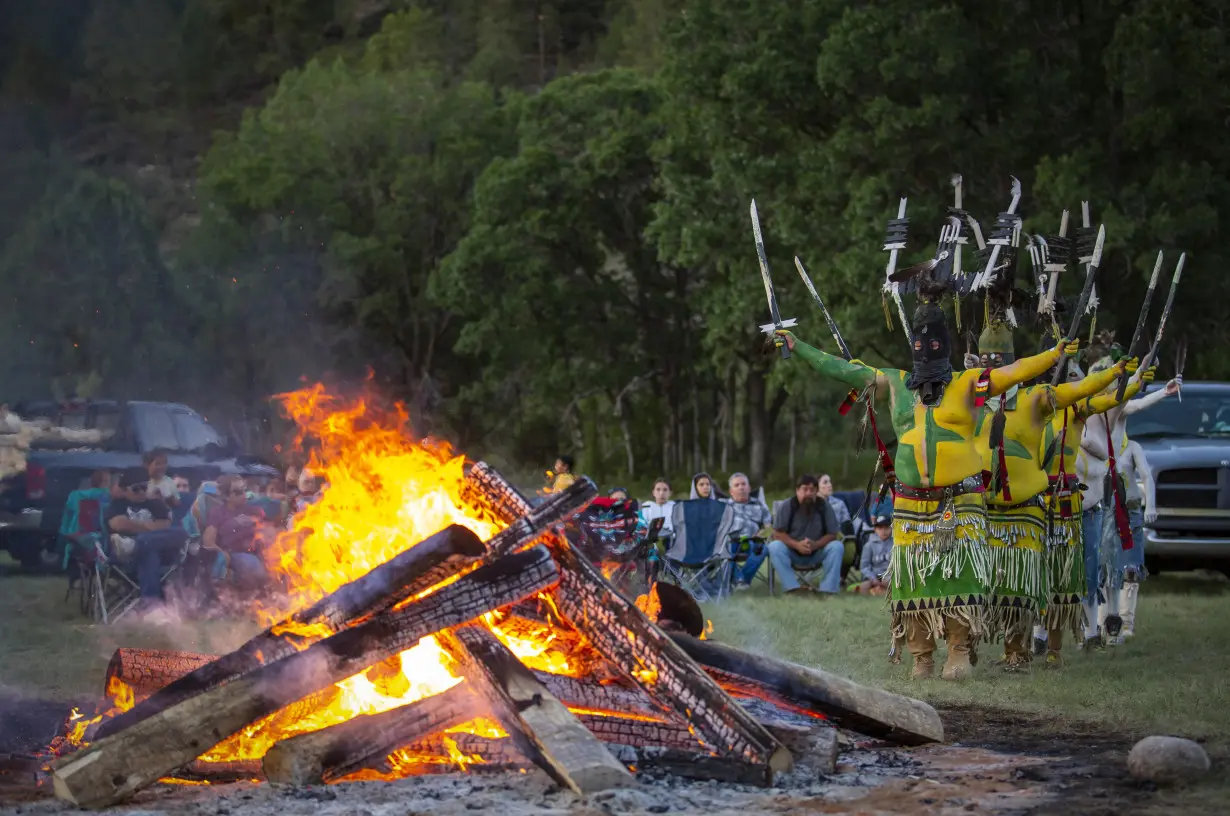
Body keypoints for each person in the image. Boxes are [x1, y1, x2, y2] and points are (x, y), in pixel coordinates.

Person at [776, 301, 1076, 681]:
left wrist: (1054, 354)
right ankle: (921, 657)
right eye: (920, 343)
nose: (926, 350)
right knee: (911, 581)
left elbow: (1014, 371)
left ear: (945, 345)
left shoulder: (968, 383)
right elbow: (840, 369)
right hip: (911, 504)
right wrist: (798, 345)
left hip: (960, 501)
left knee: (961, 577)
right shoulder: (894, 382)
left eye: (933, 343)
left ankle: (958, 652)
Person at [973, 314, 1128, 672]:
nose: (991, 366)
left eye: (999, 361)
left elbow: (1094, 397)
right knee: (995, 583)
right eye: (985, 360)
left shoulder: (1050, 403)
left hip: (1045, 505)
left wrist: (1119, 378)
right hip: (990, 508)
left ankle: (1038, 648)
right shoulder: (977, 399)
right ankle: (991, 647)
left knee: (1045, 580)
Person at [1033, 355, 1155, 666]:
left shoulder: (1100, 412)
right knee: (1048, 575)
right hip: (1051, 506)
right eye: (1070, 377)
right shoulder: (1049, 411)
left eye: (1080, 377)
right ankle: (1039, 637)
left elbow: (1122, 398)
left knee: (1089, 574)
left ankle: (1091, 634)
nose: (1076, 382)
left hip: (1089, 508)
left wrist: (1138, 377)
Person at [105, 468, 186, 610]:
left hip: (157, 553)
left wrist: (138, 530)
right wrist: (152, 527)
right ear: (125, 490)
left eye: (144, 487)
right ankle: (152, 606)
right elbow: (118, 524)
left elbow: (165, 525)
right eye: (136, 489)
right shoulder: (118, 504)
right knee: (150, 554)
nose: (142, 492)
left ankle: (135, 544)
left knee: (181, 532)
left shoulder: (156, 504)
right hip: (128, 560)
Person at [769, 474, 844, 595]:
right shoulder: (787, 506)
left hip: (817, 552)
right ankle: (792, 588)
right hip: (792, 552)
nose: (808, 493)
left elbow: (832, 534)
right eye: (805, 489)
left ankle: (828, 590)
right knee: (774, 547)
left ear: (816, 492)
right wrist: (796, 545)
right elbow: (777, 533)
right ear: (797, 490)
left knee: (837, 546)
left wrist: (816, 545)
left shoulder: (824, 506)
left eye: (812, 490)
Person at [202, 474, 269, 591]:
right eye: (238, 492)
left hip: (256, 552)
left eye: (245, 490)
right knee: (250, 565)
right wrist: (223, 554)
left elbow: (266, 532)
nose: (244, 495)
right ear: (227, 496)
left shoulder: (253, 510)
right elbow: (208, 542)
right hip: (232, 554)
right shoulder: (218, 513)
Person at [723, 472, 773, 589]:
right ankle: (740, 580)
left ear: (749, 488)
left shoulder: (759, 504)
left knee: (764, 549)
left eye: (743, 484)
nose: (741, 487)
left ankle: (740, 580)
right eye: (737, 485)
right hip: (731, 542)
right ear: (731, 491)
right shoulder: (723, 505)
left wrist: (763, 532)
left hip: (752, 541)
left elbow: (768, 526)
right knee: (723, 550)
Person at [857, 515, 894, 595]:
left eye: (886, 528)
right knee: (864, 587)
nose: (883, 531)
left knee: (894, 584)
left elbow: (899, 565)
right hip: (874, 576)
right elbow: (864, 567)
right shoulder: (869, 545)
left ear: (891, 528)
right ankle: (878, 591)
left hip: (890, 577)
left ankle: (883, 592)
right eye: (880, 528)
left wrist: (889, 577)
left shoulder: (895, 544)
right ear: (875, 529)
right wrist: (873, 578)